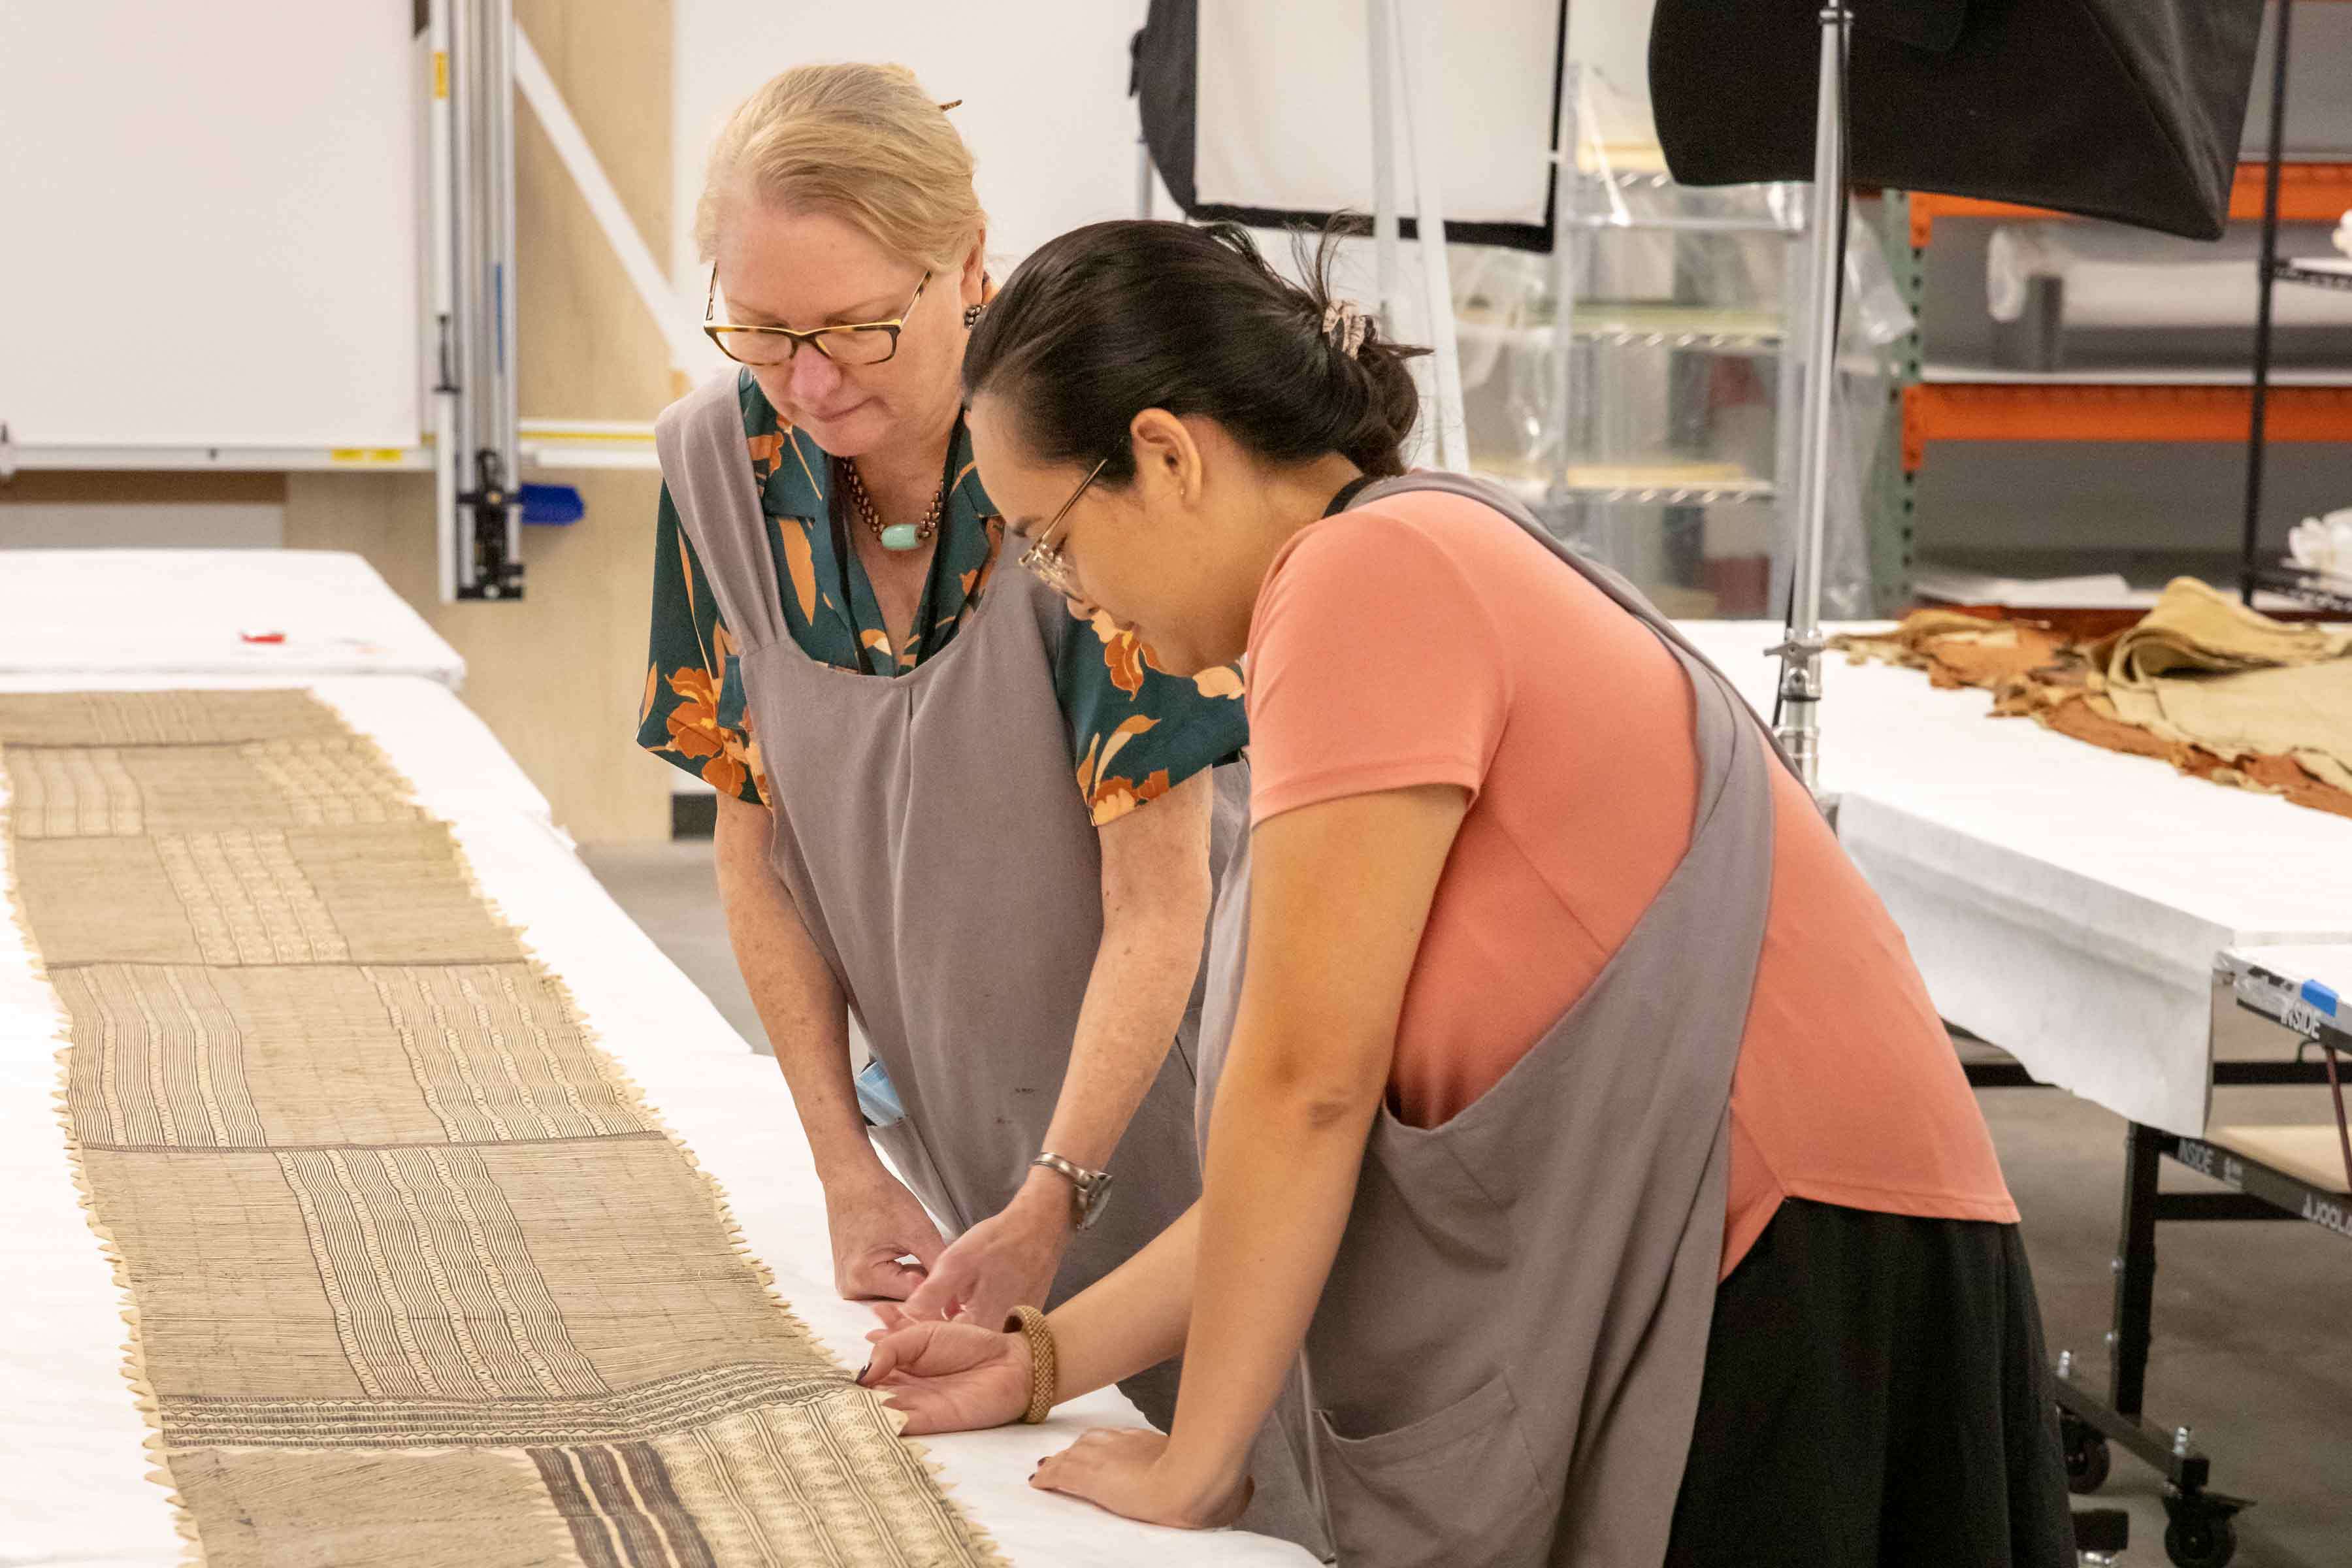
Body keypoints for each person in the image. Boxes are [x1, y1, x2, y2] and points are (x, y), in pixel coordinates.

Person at [858, 219, 2077, 1568]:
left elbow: (1306, 1087)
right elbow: (1305, 1149)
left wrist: (1203, 1461)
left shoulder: (1361, 575)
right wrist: (1038, 1362)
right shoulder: (1397, 552)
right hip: (1821, 1241)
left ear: (1164, 455)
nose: (1071, 594)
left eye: (1053, 540)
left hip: (1804, 1251)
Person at [638, 65, 1251, 1433]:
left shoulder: (1087, 460)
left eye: (855, 329)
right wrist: (847, 1170)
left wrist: (1058, 1192)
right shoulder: (717, 469)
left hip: (1188, 1106)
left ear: (966, 266)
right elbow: (759, 857)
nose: (806, 380)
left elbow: (1165, 905)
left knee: (1246, 1444)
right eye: (761, 330)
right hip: (968, 1137)